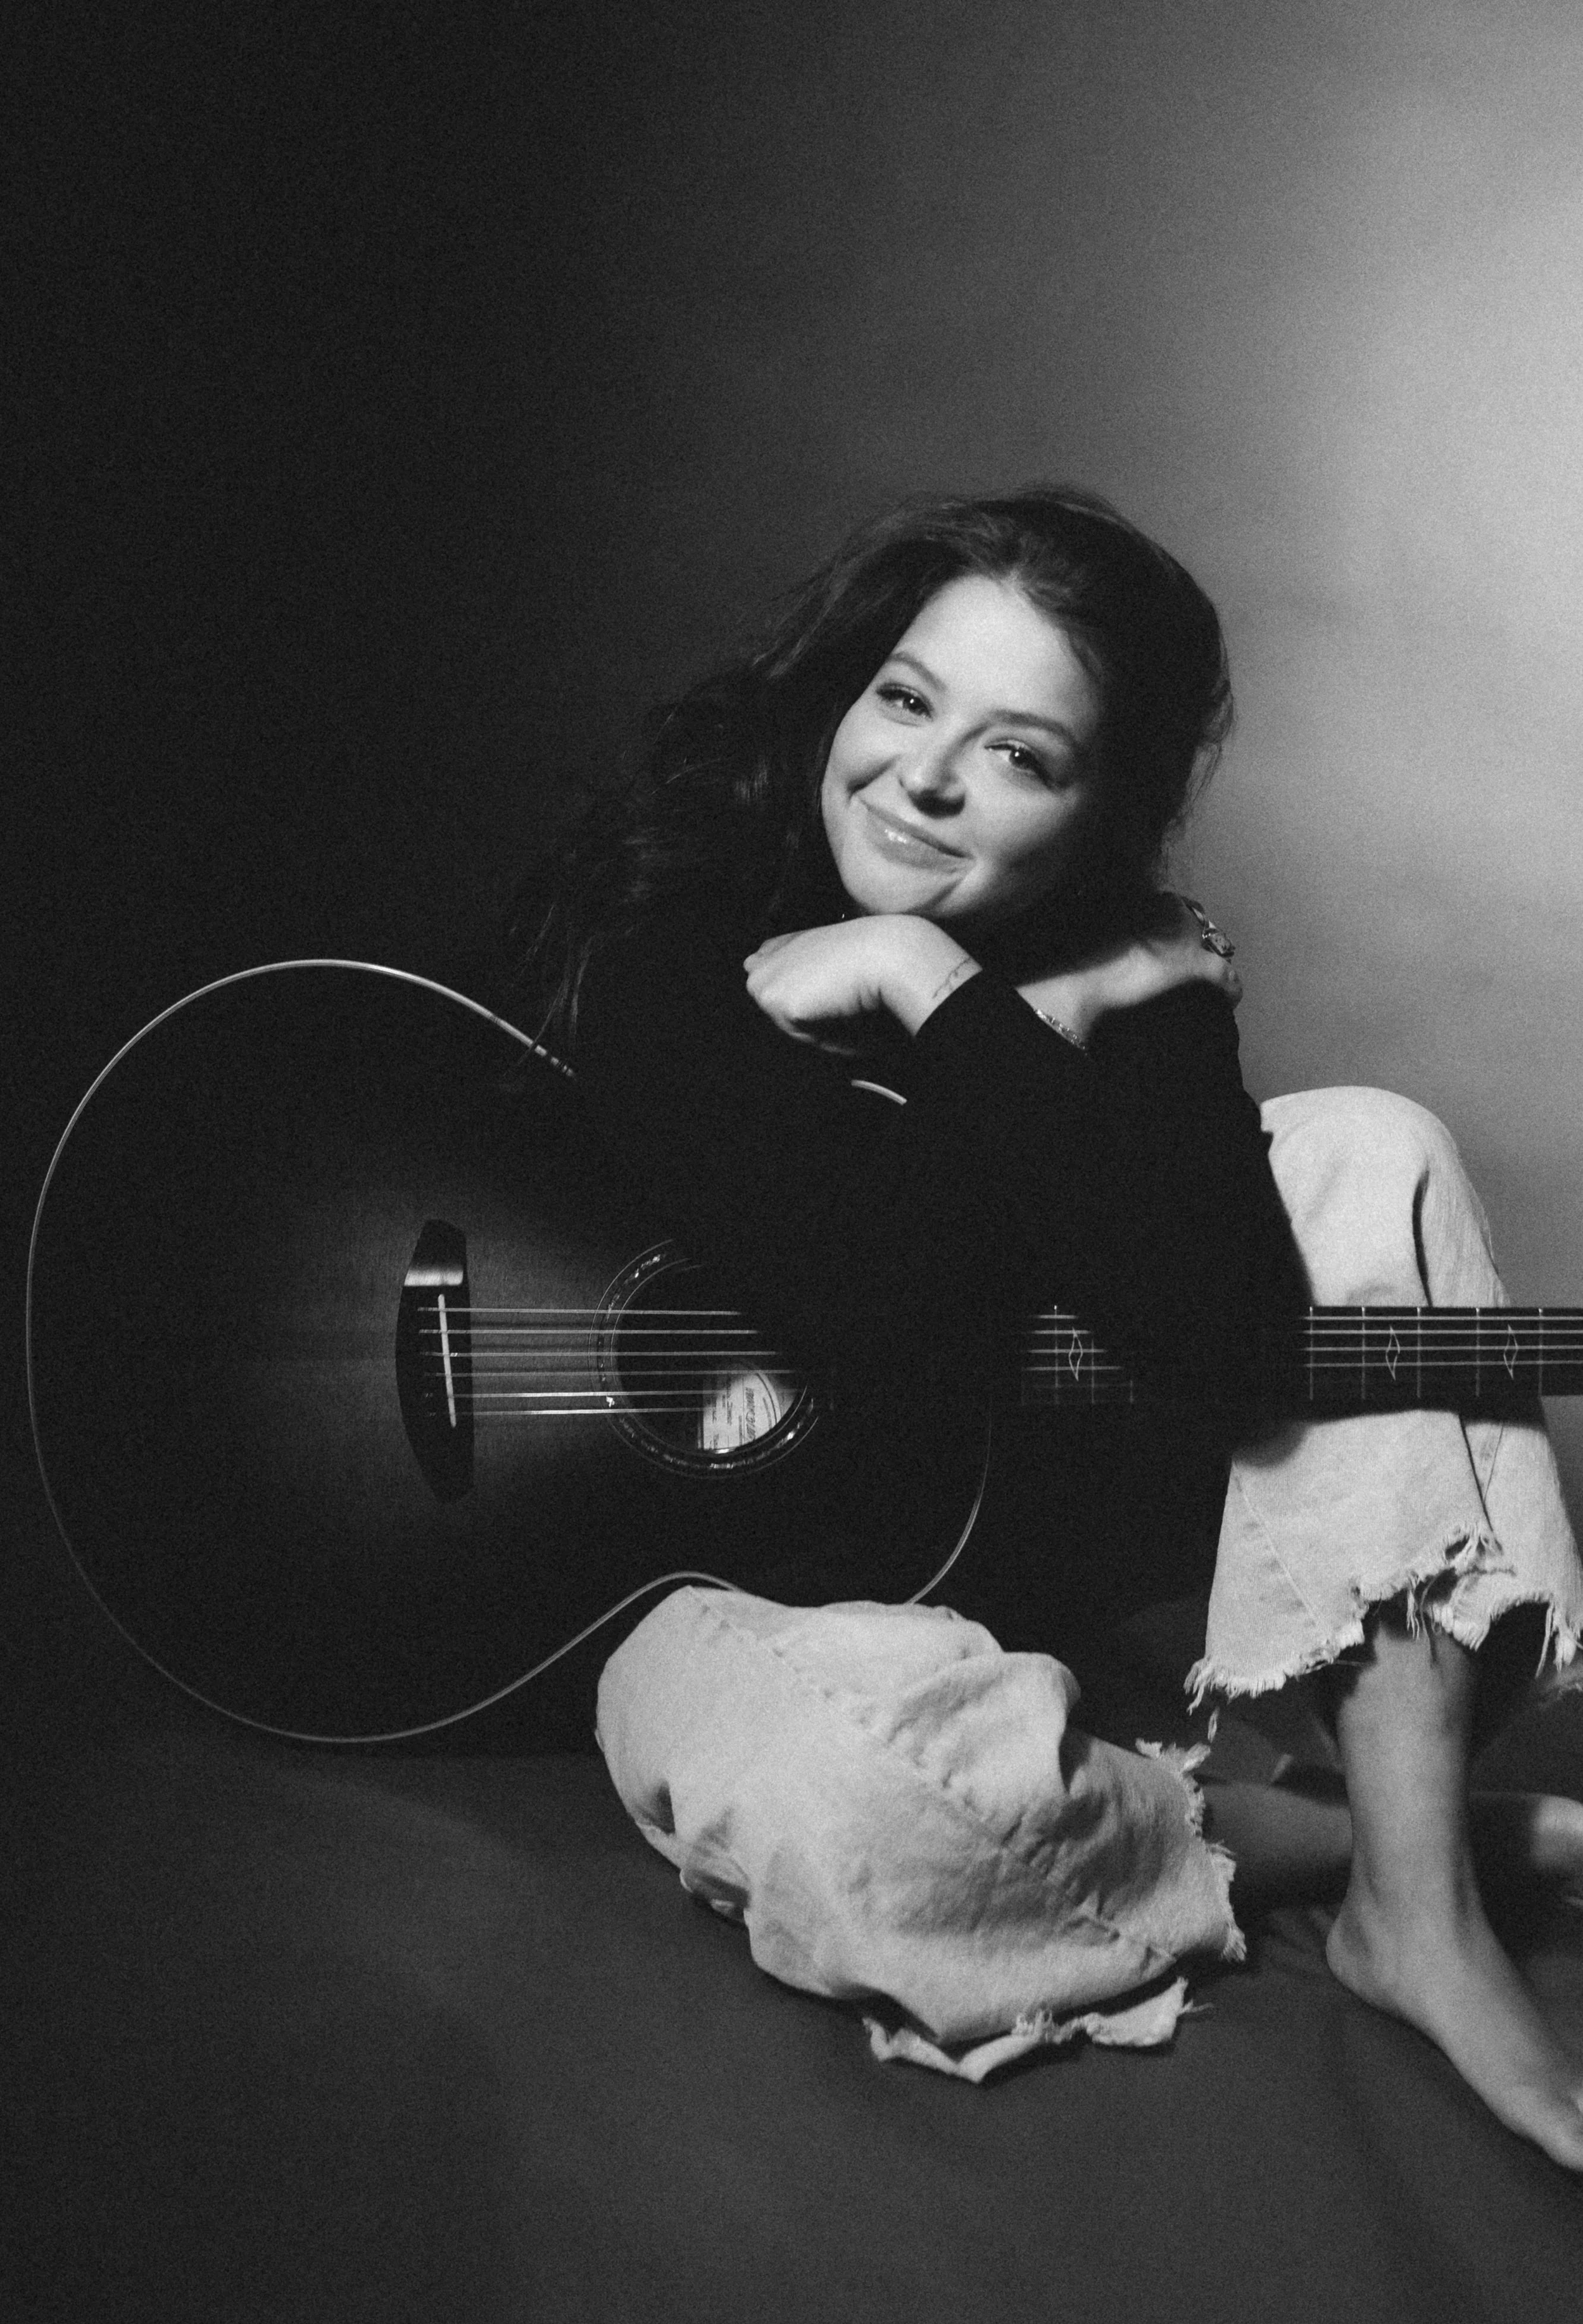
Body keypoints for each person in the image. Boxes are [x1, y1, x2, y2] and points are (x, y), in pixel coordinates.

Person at [506, 488, 1583, 2161]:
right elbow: (866, 1300)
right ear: (841, 689)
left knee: (1371, 1141)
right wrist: (1031, 1013)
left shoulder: (1118, 972)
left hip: (996, 1568)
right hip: (702, 1600)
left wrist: (941, 990)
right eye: (905, 698)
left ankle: (1417, 1908)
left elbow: (1218, 1342)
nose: (924, 776)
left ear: (1101, 813)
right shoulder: (686, 900)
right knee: (873, 1819)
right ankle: (1324, 1834)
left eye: (1021, 755)